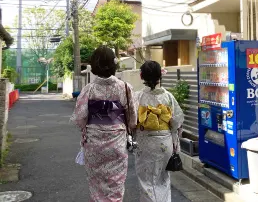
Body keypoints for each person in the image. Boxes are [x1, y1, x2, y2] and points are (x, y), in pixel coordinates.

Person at [70, 46, 137, 202]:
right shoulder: (125, 88)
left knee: (96, 187)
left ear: (94, 65)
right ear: (113, 64)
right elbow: (132, 118)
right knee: (116, 186)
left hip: (94, 145)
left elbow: (79, 118)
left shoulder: (89, 89)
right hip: (117, 144)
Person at [134, 61, 184, 202]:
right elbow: (177, 121)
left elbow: (132, 121)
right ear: (160, 76)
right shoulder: (168, 97)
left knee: (146, 181)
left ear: (141, 76)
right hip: (164, 142)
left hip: (145, 142)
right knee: (163, 179)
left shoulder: (137, 97)